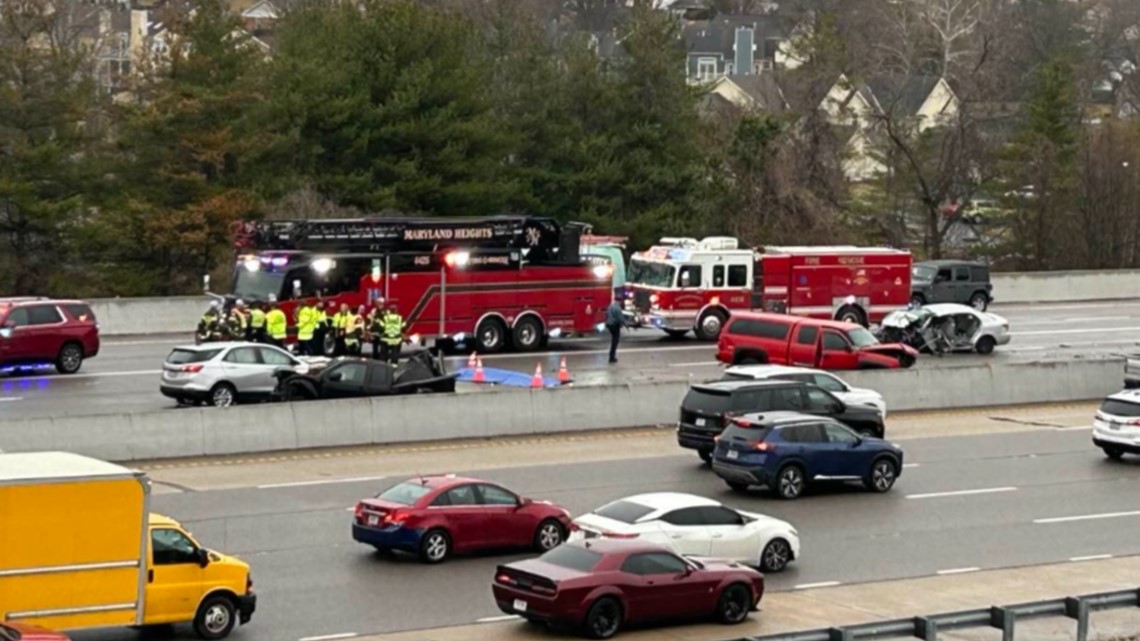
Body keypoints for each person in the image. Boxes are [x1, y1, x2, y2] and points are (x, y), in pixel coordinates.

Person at [605, 297, 626, 364]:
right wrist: (625, 324)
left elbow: (606, 315)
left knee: (613, 340)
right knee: (615, 341)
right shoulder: (617, 308)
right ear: (619, 301)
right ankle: (612, 357)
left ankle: (611, 356)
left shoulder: (610, 306)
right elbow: (620, 318)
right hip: (615, 325)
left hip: (609, 325)